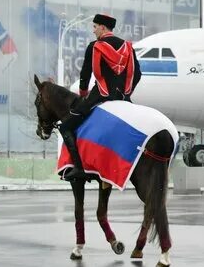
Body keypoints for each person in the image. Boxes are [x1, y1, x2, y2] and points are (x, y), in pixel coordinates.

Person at [59, 13, 142, 178]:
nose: (94, 31)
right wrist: (126, 92)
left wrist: (83, 93)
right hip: (123, 97)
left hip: (100, 95)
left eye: (95, 27)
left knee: (66, 126)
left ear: (103, 27)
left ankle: (78, 167)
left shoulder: (95, 46)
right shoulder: (127, 47)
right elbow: (137, 74)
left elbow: (85, 74)